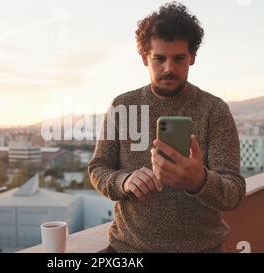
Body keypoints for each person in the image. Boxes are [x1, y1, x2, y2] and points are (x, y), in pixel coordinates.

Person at [88, 1, 245, 253]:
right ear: (144, 58)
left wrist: (200, 181)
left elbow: (234, 193)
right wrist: (124, 180)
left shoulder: (214, 110)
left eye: (179, 58)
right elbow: (98, 168)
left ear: (192, 57)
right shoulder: (122, 105)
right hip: (128, 250)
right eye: (159, 58)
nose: (169, 68)